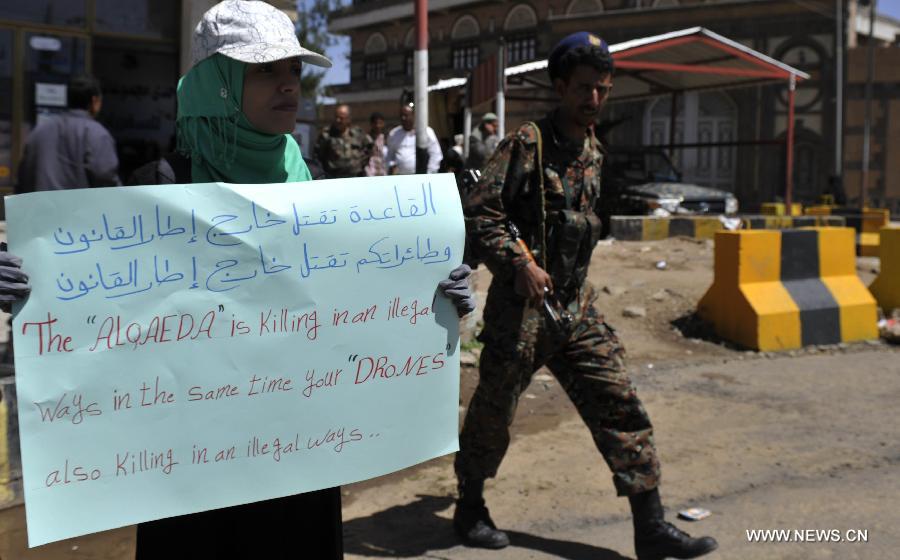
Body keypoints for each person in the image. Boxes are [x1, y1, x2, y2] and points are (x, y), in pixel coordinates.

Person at [125, 1, 475, 558]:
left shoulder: (312, 187)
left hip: (295, 462)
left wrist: (435, 292)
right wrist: (35, 289)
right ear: (217, 84)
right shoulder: (157, 190)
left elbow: (354, 303)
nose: (289, 85)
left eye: (293, 69)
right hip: (193, 474)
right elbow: (105, 323)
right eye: (265, 70)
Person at [454, 32, 718, 560]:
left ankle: (651, 527)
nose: (594, 99)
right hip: (521, 312)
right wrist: (520, 262)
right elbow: (482, 211)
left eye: (602, 89)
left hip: (575, 310)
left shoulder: (594, 151)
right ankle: (470, 507)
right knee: (493, 411)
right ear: (560, 88)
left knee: (618, 402)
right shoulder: (527, 143)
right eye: (584, 89)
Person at [15, 74, 120, 193]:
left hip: (40, 208)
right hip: (78, 209)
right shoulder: (96, 132)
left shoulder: (40, 130)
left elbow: (23, 176)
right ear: (94, 101)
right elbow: (105, 177)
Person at [314, 103, 371, 178]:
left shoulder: (358, 134)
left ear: (348, 119)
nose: (338, 120)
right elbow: (317, 156)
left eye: (341, 118)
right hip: (333, 178)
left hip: (355, 178)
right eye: (336, 117)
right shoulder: (326, 135)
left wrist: (361, 164)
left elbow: (369, 147)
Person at [386, 102, 442, 174]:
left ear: (413, 115)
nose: (403, 118)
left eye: (406, 115)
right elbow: (390, 156)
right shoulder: (394, 134)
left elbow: (436, 154)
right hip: (400, 177)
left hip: (421, 175)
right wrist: (391, 167)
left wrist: (430, 173)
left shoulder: (426, 131)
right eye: (401, 116)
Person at [365, 111, 388, 176]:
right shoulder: (366, 138)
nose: (377, 126)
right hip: (370, 172)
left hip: (383, 171)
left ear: (383, 123)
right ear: (371, 124)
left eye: (380, 123)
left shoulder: (386, 138)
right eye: (375, 123)